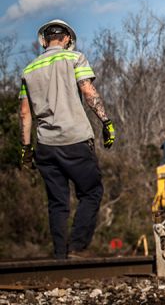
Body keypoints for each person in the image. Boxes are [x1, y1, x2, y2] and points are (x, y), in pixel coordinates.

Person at [18, 19, 116, 259]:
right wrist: (106, 122)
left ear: (44, 40)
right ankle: (77, 247)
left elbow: (24, 113)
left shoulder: (28, 70)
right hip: (75, 140)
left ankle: (60, 255)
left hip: (46, 147)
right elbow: (88, 91)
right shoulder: (75, 59)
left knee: (57, 202)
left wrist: (26, 149)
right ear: (67, 39)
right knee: (91, 192)